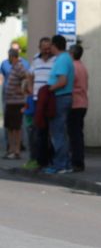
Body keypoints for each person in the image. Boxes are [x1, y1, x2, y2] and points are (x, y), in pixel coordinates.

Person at [44, 35, 75, 174]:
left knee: (58, 133)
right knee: (61, 132)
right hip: (63, 98)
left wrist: (49, 89)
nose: (49, 47)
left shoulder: (62, 59)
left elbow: (62, 81)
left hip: (60, 98)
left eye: (51, 45)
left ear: (55, 45)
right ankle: (65, 163)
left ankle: (60, 165)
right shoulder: (65, 58)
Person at [25, 37, 55, 169]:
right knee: (40, 131)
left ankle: (51, 159)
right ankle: (42, 160)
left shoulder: (56, 60)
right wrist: (31, 88)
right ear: (40, 48)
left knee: (51, 131)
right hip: (37, 100)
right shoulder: (35, 60)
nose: (47, 51)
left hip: (50, 99)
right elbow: (29, 75)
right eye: (44, 48)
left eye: (49, 48)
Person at [3, 49, 27, 159]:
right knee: (9, 127)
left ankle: (16, 151)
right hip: (10, 102)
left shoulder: (19, 66)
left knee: (16, 128)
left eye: (9, 56)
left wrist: (21, 90)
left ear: (12, 56)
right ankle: (11, 150)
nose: (8, 58)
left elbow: (26, 78)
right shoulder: (13, 67)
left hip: (17, 102)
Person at [68, 44, 88, 172]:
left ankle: (77, 162)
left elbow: (69, 84)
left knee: (74, 135)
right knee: (78, 133)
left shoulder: (72, 67)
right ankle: (78, 160)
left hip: (75, 103)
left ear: (72, 54)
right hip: (83, 103)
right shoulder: (82, 66)